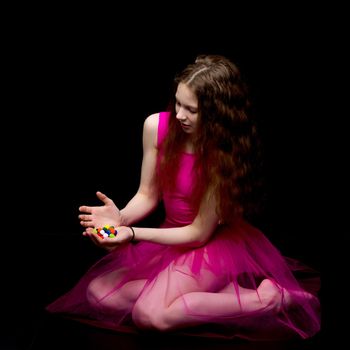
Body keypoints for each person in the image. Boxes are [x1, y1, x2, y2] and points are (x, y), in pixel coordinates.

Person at [46, 54, 320, 340]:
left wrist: (131, 232)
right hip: (170, 237)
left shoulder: (221, 156)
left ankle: (266, 300)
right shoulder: (155, 127)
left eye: (192, 109)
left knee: (149, 315)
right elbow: (147, 194)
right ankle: (220, 296)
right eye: (177, 103)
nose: (179, 115)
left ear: (217, 114)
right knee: (100, 294)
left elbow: (199, 233)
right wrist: (120, 218)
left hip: (210, 244)